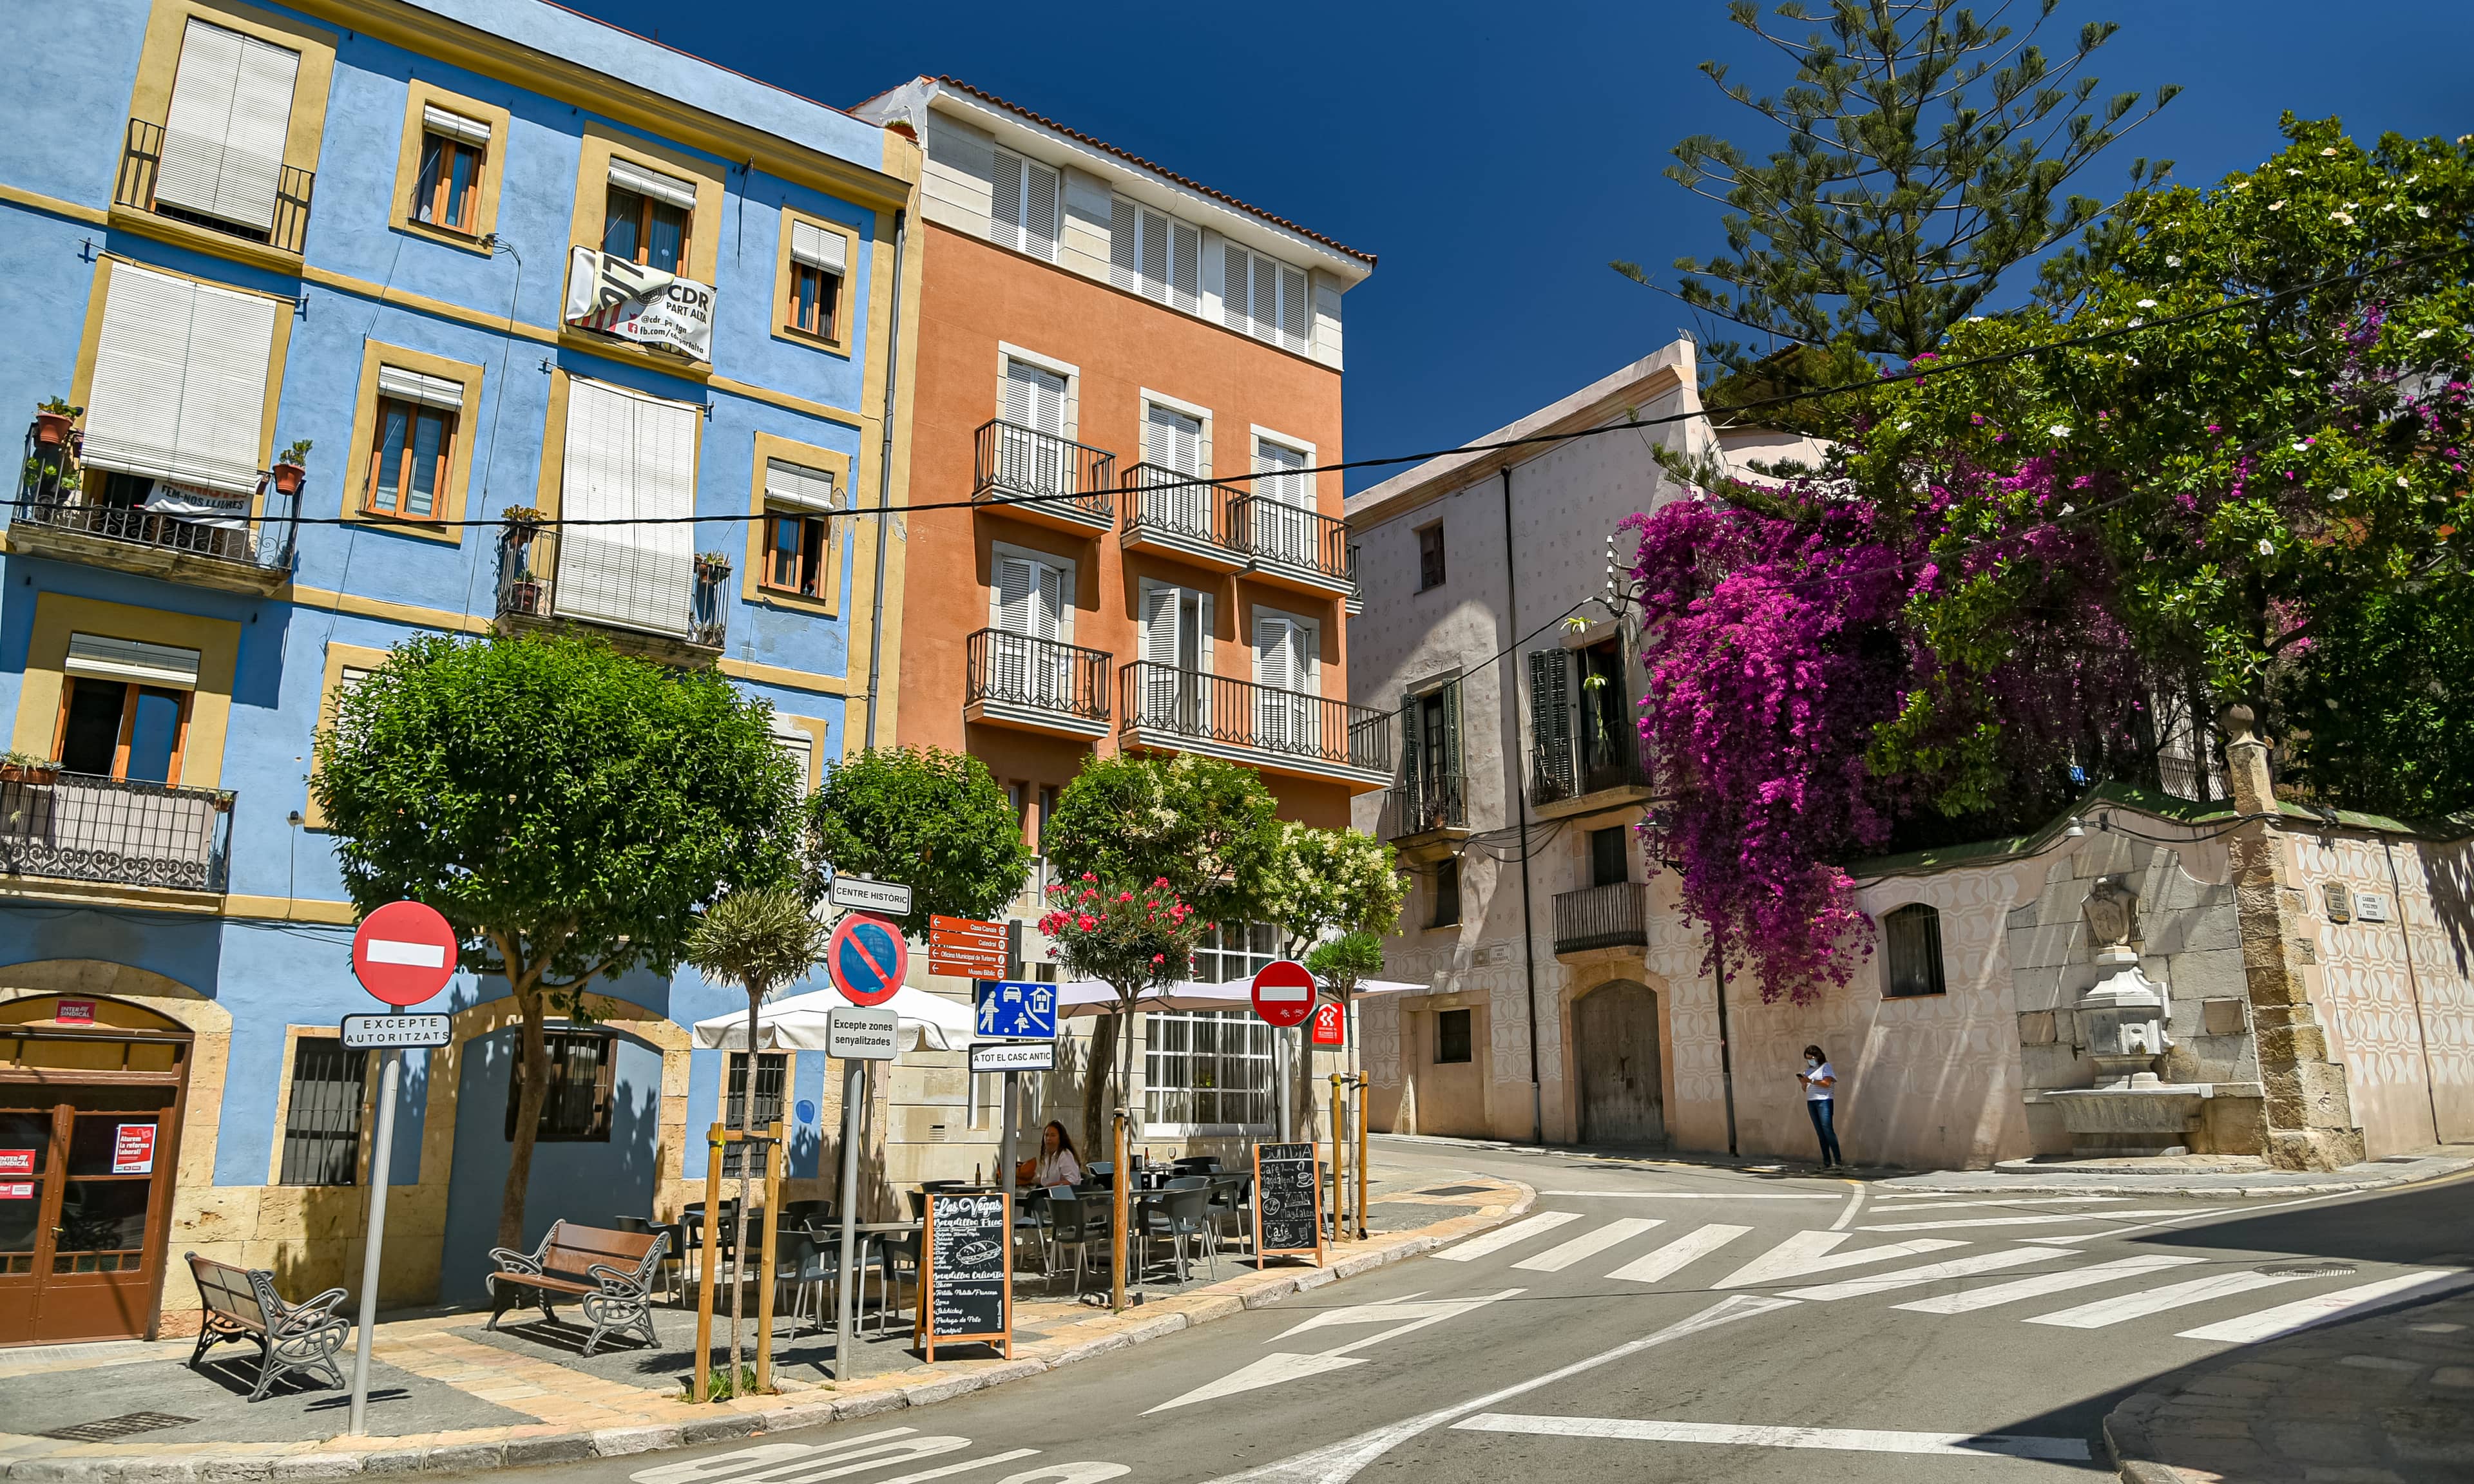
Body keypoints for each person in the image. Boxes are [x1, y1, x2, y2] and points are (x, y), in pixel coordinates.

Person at [1798, 1044, 1843, 1168]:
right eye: (1807, 1058)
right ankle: (1827, 1162)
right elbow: (1805, 1089)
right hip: (1811, 1102)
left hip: (1824, 1101)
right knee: (1820, 1132)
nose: (1810, 1060)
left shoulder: (1826, 1067)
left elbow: (1827, 1083)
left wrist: (1811, 1081)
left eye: (1811, 1057)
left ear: (1818, 1056)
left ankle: (1838, 1162)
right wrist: (1803, 1083)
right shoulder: (1808, 1071)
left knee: (1828, 1130)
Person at [1025, 1120, 1082, 1188]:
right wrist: (1028, 1181)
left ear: (1060, 1138)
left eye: (1053, 1135)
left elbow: (1072, 1182)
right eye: (1046, 1135)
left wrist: (1049, 1187)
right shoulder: (1047, 1155)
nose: (1049, 1138)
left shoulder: (1065, 1155)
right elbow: (1046, 1180)